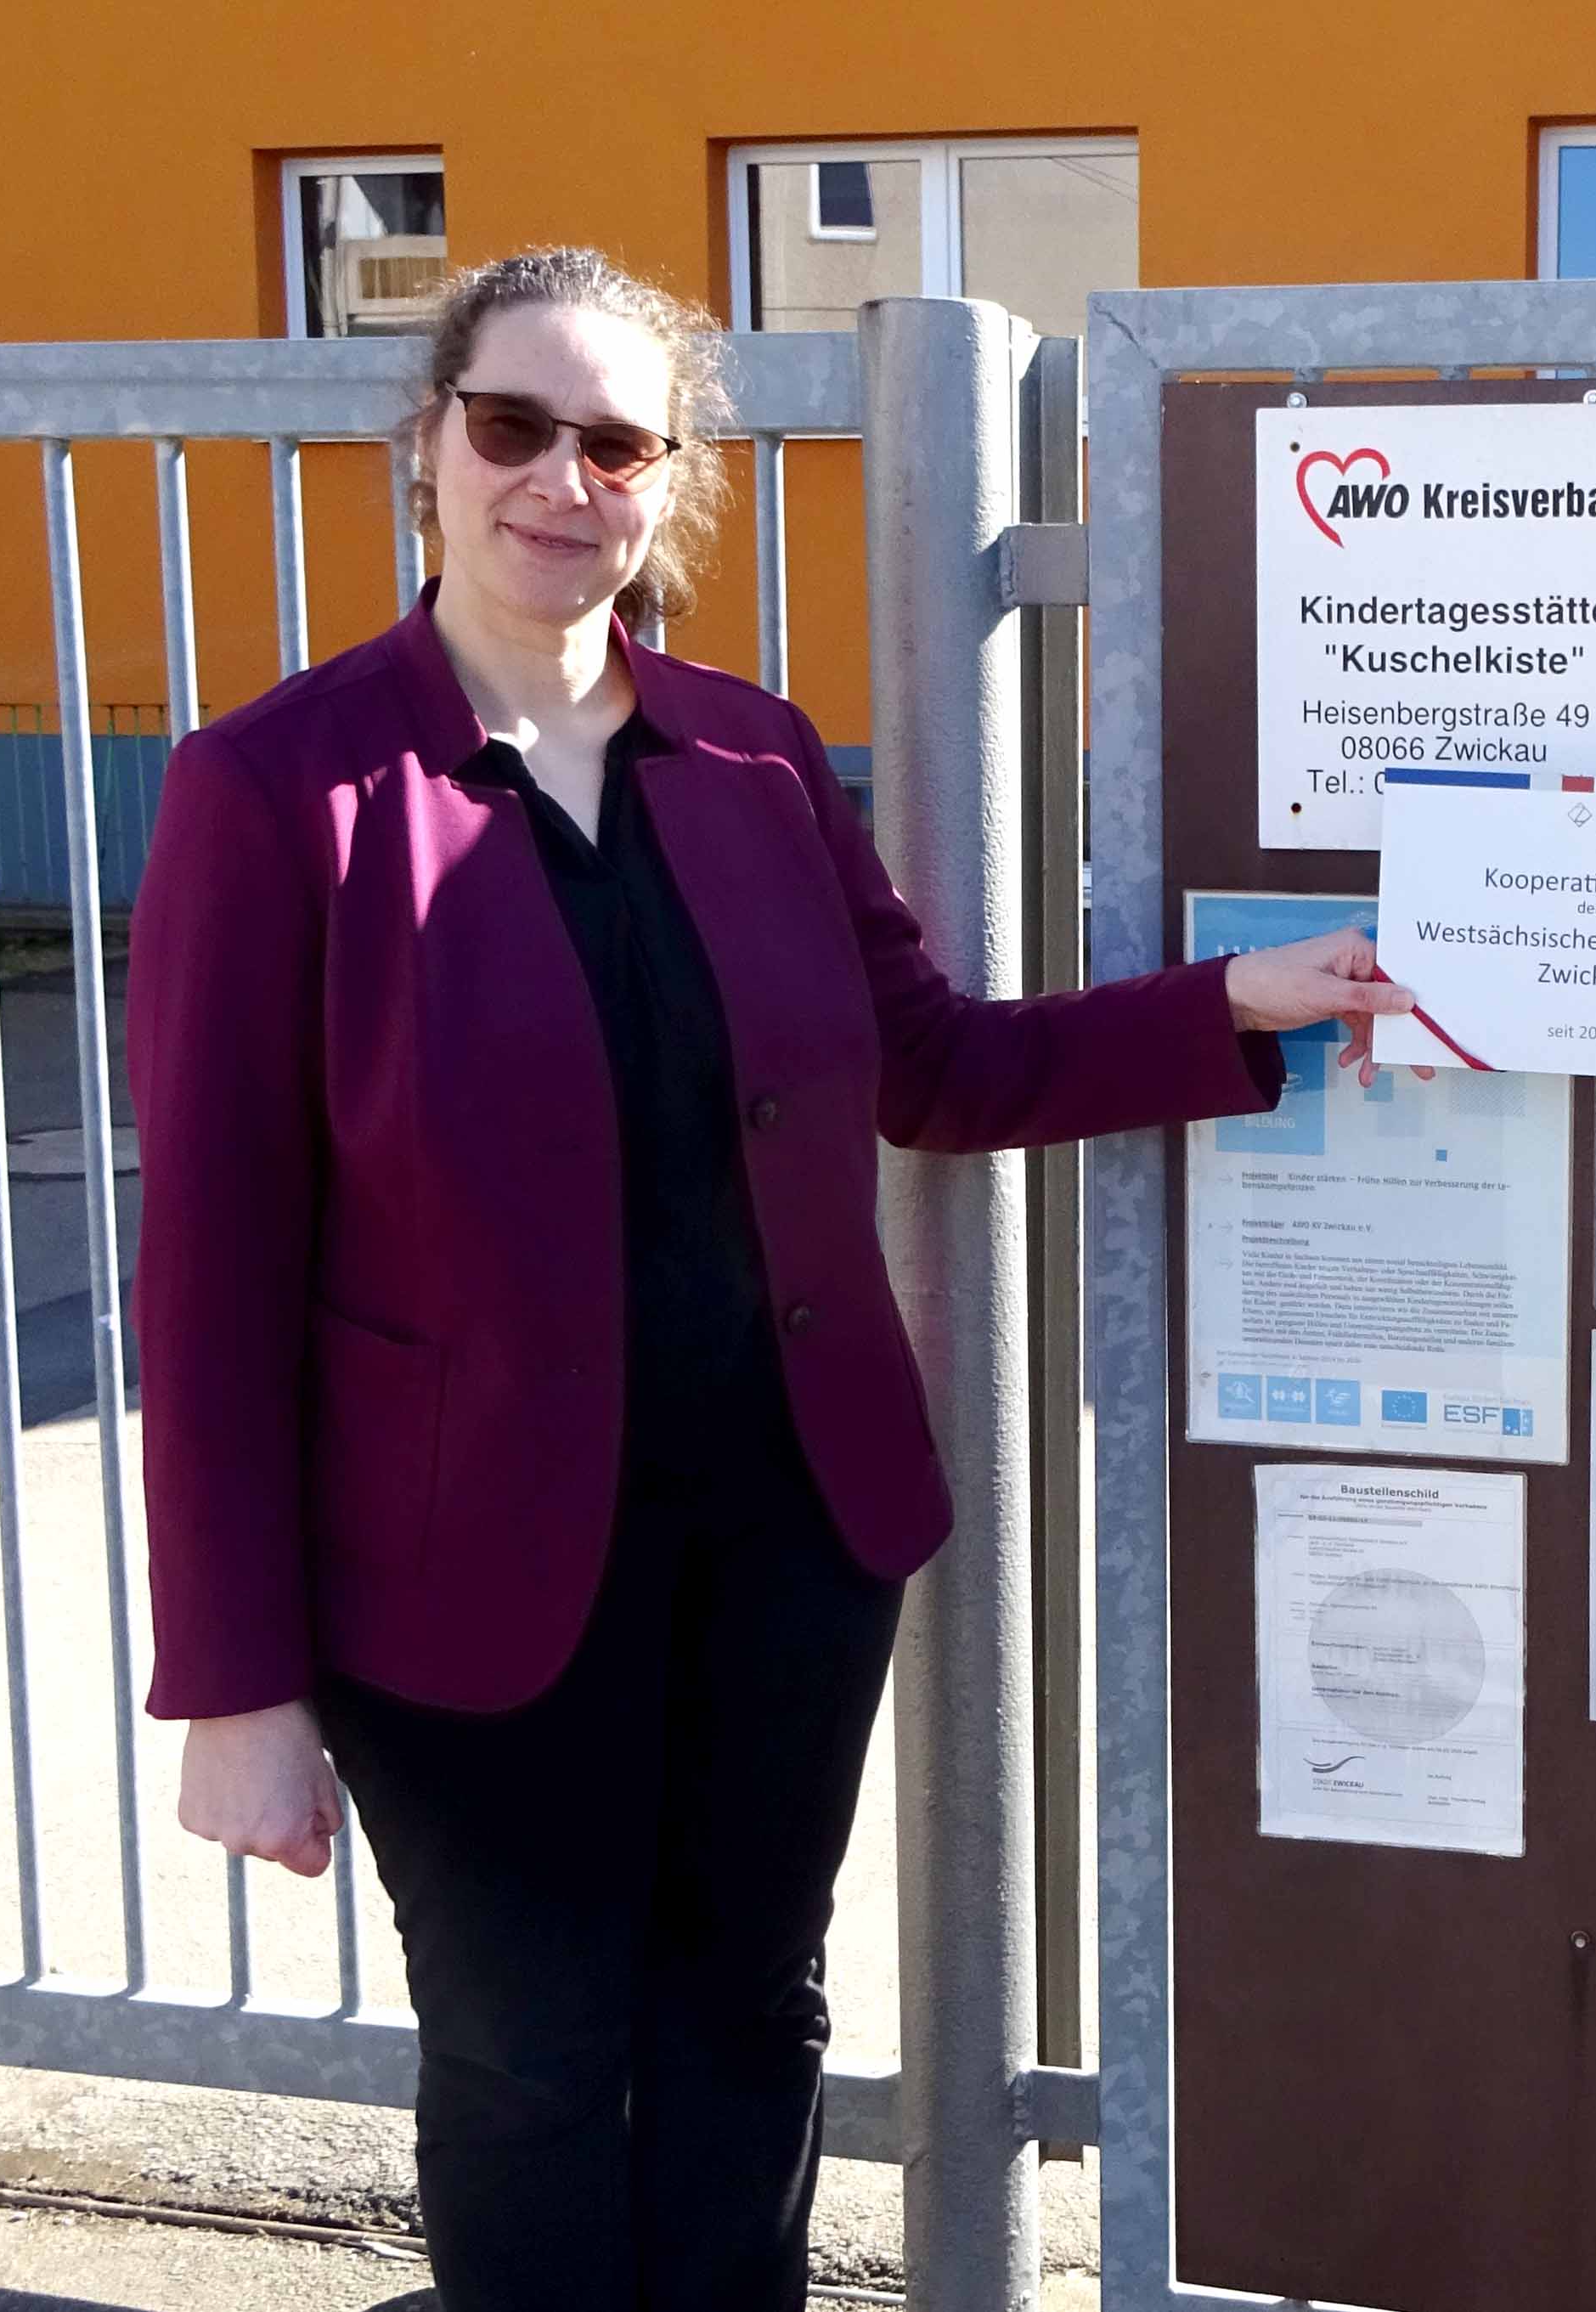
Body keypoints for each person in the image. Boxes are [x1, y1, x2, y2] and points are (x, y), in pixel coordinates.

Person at [130, 247, 1409, 2309]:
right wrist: (238, 1683)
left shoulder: (749, 758)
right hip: (461, 1582)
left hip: (782, 1541)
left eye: (617, 441)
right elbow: (205, 1268)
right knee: (535, 2061)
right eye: (516, 425)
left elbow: (938, 1063)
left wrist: (1247, 996)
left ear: (673, 481)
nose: (563, 477)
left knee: (750, 2021)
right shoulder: (281, 790)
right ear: (431, 448)